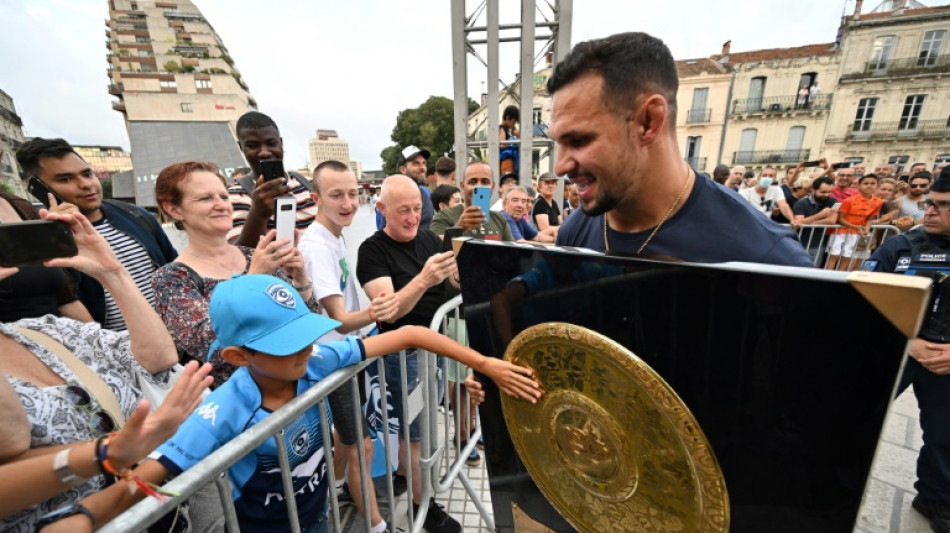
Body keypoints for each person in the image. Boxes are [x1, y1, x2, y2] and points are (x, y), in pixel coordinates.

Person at [49, 274, 540, 533]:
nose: (307, 351)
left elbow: (410, 333)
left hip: (319, 509)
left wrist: (487, 364)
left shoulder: (317, 359)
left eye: (307, 336)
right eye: (289, 345)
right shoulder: (225, 408)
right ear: (238, 356)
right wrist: (90, 516)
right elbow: (156, 473)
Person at [547, 32, 811, 266]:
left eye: (579, 141)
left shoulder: (767, 258)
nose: (560, 167)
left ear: (649, 122)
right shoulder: (573, 232)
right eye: (559, 143)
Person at [0, 209, 181, 532]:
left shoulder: (42, 331)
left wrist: (113, 273)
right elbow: (10, 439)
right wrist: (105, 453)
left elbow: (158, 358)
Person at [357, 175, 468, 532]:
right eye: (403, 210)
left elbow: (450, 287)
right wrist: (424, 278)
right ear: (382, 210)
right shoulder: (371, 250)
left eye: (417, 209)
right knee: (416, 436)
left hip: (433, 350)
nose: (411, 218)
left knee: (422, 430)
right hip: (403, 358)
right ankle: (424, 508)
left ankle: (408, 478)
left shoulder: (426, 238)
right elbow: (389, 312)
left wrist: (459, 272)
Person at [298, 160, 398, 533]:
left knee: (347, 438)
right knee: (362, 447)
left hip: (346, 355)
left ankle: (338, 487)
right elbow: (337, 318)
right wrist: (377, 311)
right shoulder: (316, 246)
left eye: (353, 193)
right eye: (336, 195)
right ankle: (376, 525)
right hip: (334, 359)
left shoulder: (334, 236)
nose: (348, 203)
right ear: (316, 198)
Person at [151, 161, 316, 388]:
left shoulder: (252, 255)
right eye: (205, 198)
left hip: (297, 386)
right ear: (174, 209)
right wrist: (254, 281)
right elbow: (210, 348)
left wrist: (300, 279)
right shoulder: (172, 278)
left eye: (224, 197)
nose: (221, 205)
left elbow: (307, 320)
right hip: (241, 404)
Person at [862, 166, 950, 533]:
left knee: (944, 435)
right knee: (856, 419)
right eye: (929, 203)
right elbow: (862, 297)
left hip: (946, 363)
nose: (929, 211)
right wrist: (906, 340)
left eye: (942, 206)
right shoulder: (899, 247)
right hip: (896, 352)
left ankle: (936, 498)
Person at [15, 138, 178, 330]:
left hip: (177, 339)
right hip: (116, 350)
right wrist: (57, 236)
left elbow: (176, 271)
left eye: (87, 174)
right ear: (38, 187)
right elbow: (61, 301)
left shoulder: (135, 215)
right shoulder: (43, 242)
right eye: (65, 179)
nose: (85, 184)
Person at [227, 111, 317, 246]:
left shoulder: (308, 185)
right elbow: (238, 254)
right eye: (252, 146)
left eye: (271, 143)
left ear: (281, 143)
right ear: (241, 147)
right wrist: (258, 214)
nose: (264, 152)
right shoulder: (234, 196)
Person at [0, 191, 91, 323]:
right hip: (13, 339)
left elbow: (65, 298)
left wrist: (96, 338)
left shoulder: (19, 205)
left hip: (60, 336)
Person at [430, 162, 515, 242]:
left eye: (485, 182)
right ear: (463, 187)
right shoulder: (444, 216)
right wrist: (460, 227)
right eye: (472, 182)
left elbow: (513, 253)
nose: (478, 186)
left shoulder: (499, 219)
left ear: (492, 187)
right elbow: (436, 248)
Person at [826, 173, 882, 271]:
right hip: (840, 231)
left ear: (877, 185)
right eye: (866, 183)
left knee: (847, 255)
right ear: (859, 186)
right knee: (834, 254)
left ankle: (839, 276)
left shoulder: (878, 201)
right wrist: (855, 227)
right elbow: (841, 219)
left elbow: (870, 218)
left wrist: (867, 229)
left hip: (855, 232)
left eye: (873, 183)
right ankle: (827, 275)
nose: (869, 186)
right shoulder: (848, 200)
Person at [499, 105, 520, 175]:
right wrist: (513, 139)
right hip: (506, 160)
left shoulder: (509, 130)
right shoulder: (502, 128)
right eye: (514, 122)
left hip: (511, 160)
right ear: (508, 118)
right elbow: (502, 145)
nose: (514, 125)